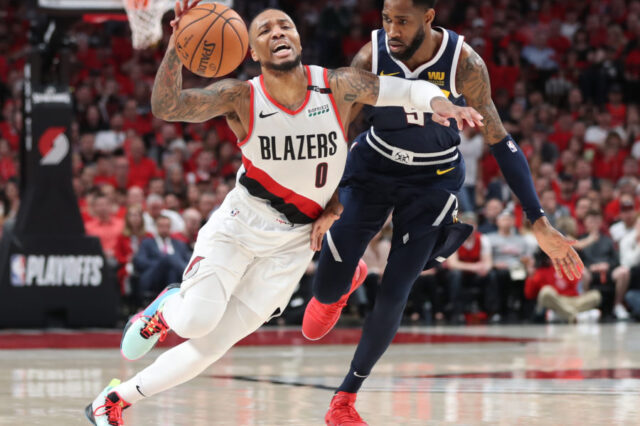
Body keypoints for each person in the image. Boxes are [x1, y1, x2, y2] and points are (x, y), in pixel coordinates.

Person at [85, 2, 482, 425]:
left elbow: (406, 91)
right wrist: (177, 47)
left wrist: (441, 103)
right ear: (251, 51)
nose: (278, 32)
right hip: (241, 224)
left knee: (213, 346)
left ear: (298, 38)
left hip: (293, 244)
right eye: (266, 30)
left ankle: (113, 401)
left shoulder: (338, 85)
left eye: (285, 26)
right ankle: (165, 309)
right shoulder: (240, 96)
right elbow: (169, 107)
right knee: (198, 321)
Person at [300, 1, 584, 424]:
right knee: (315, 320)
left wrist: (537, 220)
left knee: (396, 288)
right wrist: (329, 199)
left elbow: (500, 141)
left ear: (429, 18)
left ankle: (345, 398)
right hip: (373, 167)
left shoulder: (464, 62)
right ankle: (343, 281)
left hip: (432, 181)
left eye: (402, 21)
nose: (392, 30)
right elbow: (337, 125)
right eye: (386, 20)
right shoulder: (371, 55)